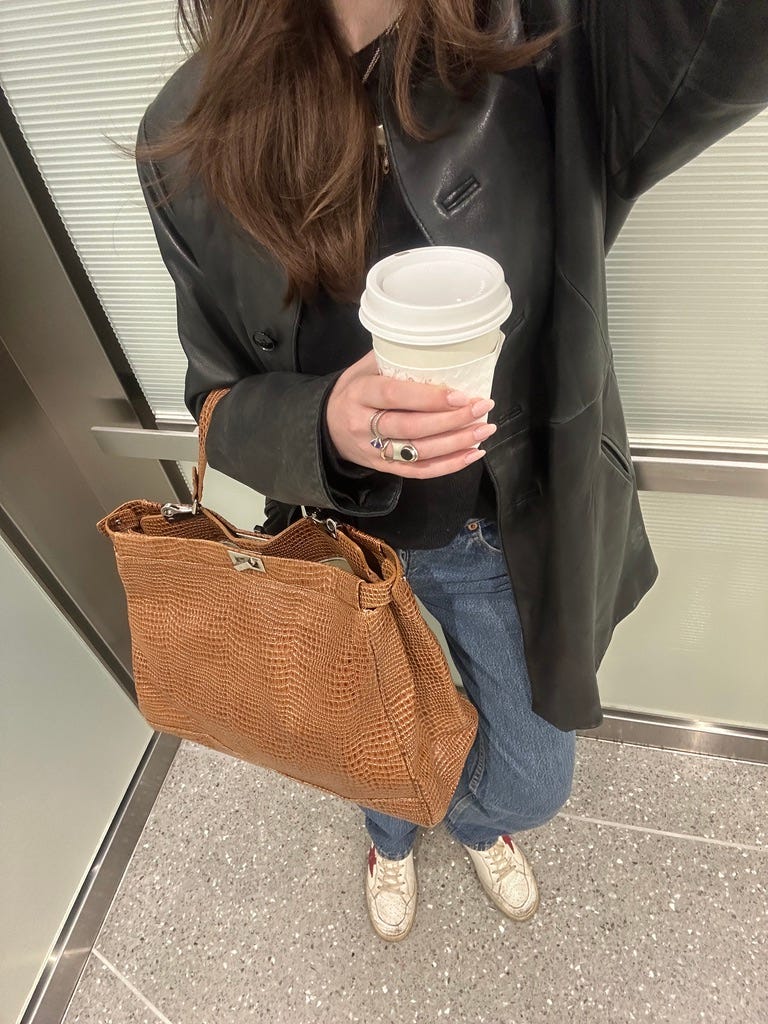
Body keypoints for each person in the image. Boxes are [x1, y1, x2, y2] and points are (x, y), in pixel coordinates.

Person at [136, 0, 768, 941]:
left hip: (496, 531)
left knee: (532, 780)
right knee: (366, 730)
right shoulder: (189, 129)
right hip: (338, 544)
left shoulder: (542, 36)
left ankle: (455, 815)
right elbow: (216, 401)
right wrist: (323, 423)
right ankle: (389, 834)